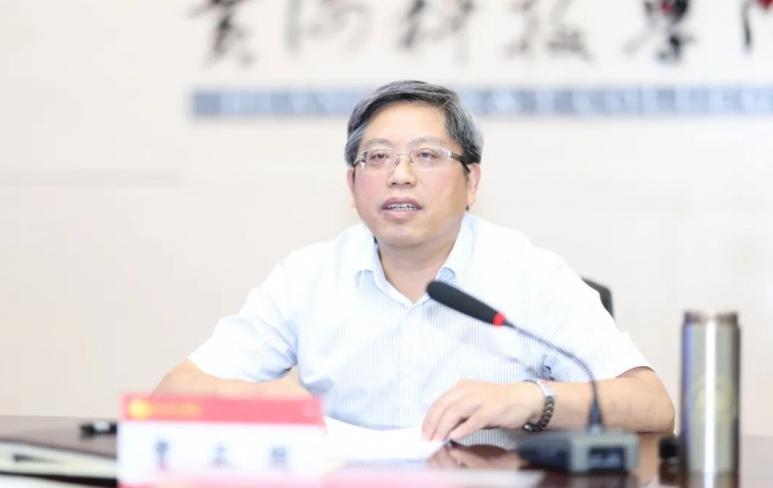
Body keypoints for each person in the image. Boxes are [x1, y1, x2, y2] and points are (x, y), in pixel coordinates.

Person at [154, 80, 674, 445]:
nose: (399, 176)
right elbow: (172, 395)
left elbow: (653, 406)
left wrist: (532, 400)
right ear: (352, 184)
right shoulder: (306, 277)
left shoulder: (530, 276)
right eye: (378, 157)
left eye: (426, 156)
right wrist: (250, 398)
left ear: (471, 181)